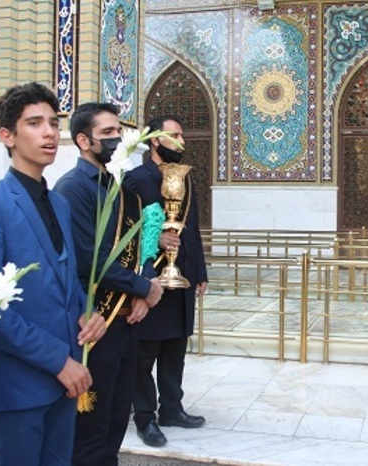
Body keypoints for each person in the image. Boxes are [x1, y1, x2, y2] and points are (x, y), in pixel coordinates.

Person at [0, 82, 106, 465]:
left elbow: (65, 281)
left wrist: (87, 311)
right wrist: (59, 361)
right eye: (35, 123)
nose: (49, 133)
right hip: (19, 383)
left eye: (53, 123)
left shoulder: (58, 203)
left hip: (66, 382)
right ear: (7, 135)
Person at [54, 102, 164, 465]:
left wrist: (145, 283)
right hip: (97, 323)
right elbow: (90, 260)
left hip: (127, 322)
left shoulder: (117, 186)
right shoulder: (74, 188)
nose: (117, 138)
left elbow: (140, 244)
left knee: (116, 422)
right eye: (107, 133)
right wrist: (142, 288)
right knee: (92, 430)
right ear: (83, 140)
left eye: (119, 131)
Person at [124, 115, 208, 447]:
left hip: (181, 276)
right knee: (145, 353)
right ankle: (145, 418)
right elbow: (124, 230)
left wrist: (199, 271)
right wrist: (154, 237)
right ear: (156, 140)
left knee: (175, 349)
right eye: (175, 135)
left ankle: (172, 408)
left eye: (183, 135)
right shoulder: (135, 179)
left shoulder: (185, 179)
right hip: (152, 280)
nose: (182, 141)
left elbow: (193, 228)